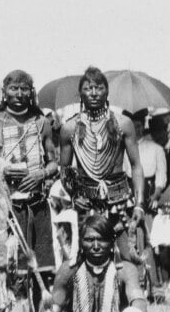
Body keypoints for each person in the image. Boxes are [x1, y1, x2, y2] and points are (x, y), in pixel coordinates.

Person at [58, 67, 146, 263]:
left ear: (107, 92)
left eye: (99, 88)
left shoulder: (123, 124)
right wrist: (74, 195)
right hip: (87, 204)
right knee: (86, 262)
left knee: (129, 259)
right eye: (88, 88)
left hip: (121, 202)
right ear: (80, 93)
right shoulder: (70, 128)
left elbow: (136, 166)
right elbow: (64, 170)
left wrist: (139, 206)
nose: (94, 93)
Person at [0, 70, 59, 275]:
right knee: (9, 271)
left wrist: (40, 175)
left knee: (42, 271)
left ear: (31, 92)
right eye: (14, 88)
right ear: (4, 91)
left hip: (37, 205)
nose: (19, 93)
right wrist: (1, 170)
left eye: (24, 88)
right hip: (5, 210)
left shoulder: (42, 123)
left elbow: (54, 163)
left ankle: (40, 307)